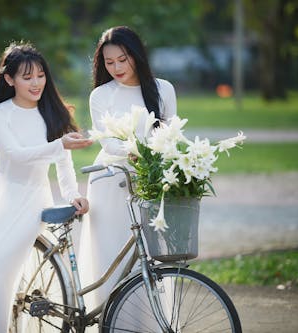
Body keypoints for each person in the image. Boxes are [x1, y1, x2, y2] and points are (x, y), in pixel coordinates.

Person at [0, 42, 92, 333]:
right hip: (0, 199)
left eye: (41, 75)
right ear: (9, 79)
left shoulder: (53, 113)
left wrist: (73, 194)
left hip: (32, 202)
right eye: (27, 77)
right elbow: (16, 154)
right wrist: (59, 144)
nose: (36, 83)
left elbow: (64, 164)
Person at [78, 26, 177, 311]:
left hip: (151, 179)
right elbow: (107, 142)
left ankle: (152, 321)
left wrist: (156, 161)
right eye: (109, 62)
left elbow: (171, 134)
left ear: (137, 55)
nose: (116, 67)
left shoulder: (163, 89)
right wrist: (134, 152)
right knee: (112, 253)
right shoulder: (100, 95)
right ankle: (109, 319)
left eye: (123, 59)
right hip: (111, 180)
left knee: (151, 256)